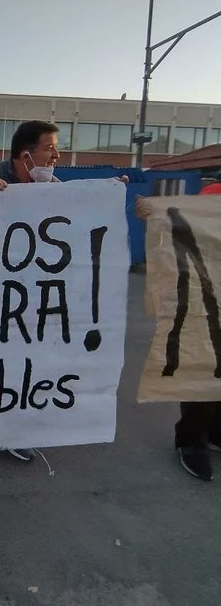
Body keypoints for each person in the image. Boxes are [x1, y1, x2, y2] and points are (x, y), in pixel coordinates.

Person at [0, 120, 127, 462]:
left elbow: (79, 217)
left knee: (24, 365)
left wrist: (107, 195)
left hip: (31, 300)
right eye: (49, 147)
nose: (56, 154)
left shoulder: (53, 186)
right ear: (26, 154)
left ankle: (13, 430)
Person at [136, 184, 221, 481]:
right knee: (203, 368)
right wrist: (155, 216)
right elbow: (181, 232)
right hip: (205, 292)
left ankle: (216, 432)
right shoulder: (212, 194)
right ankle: (190, 440)